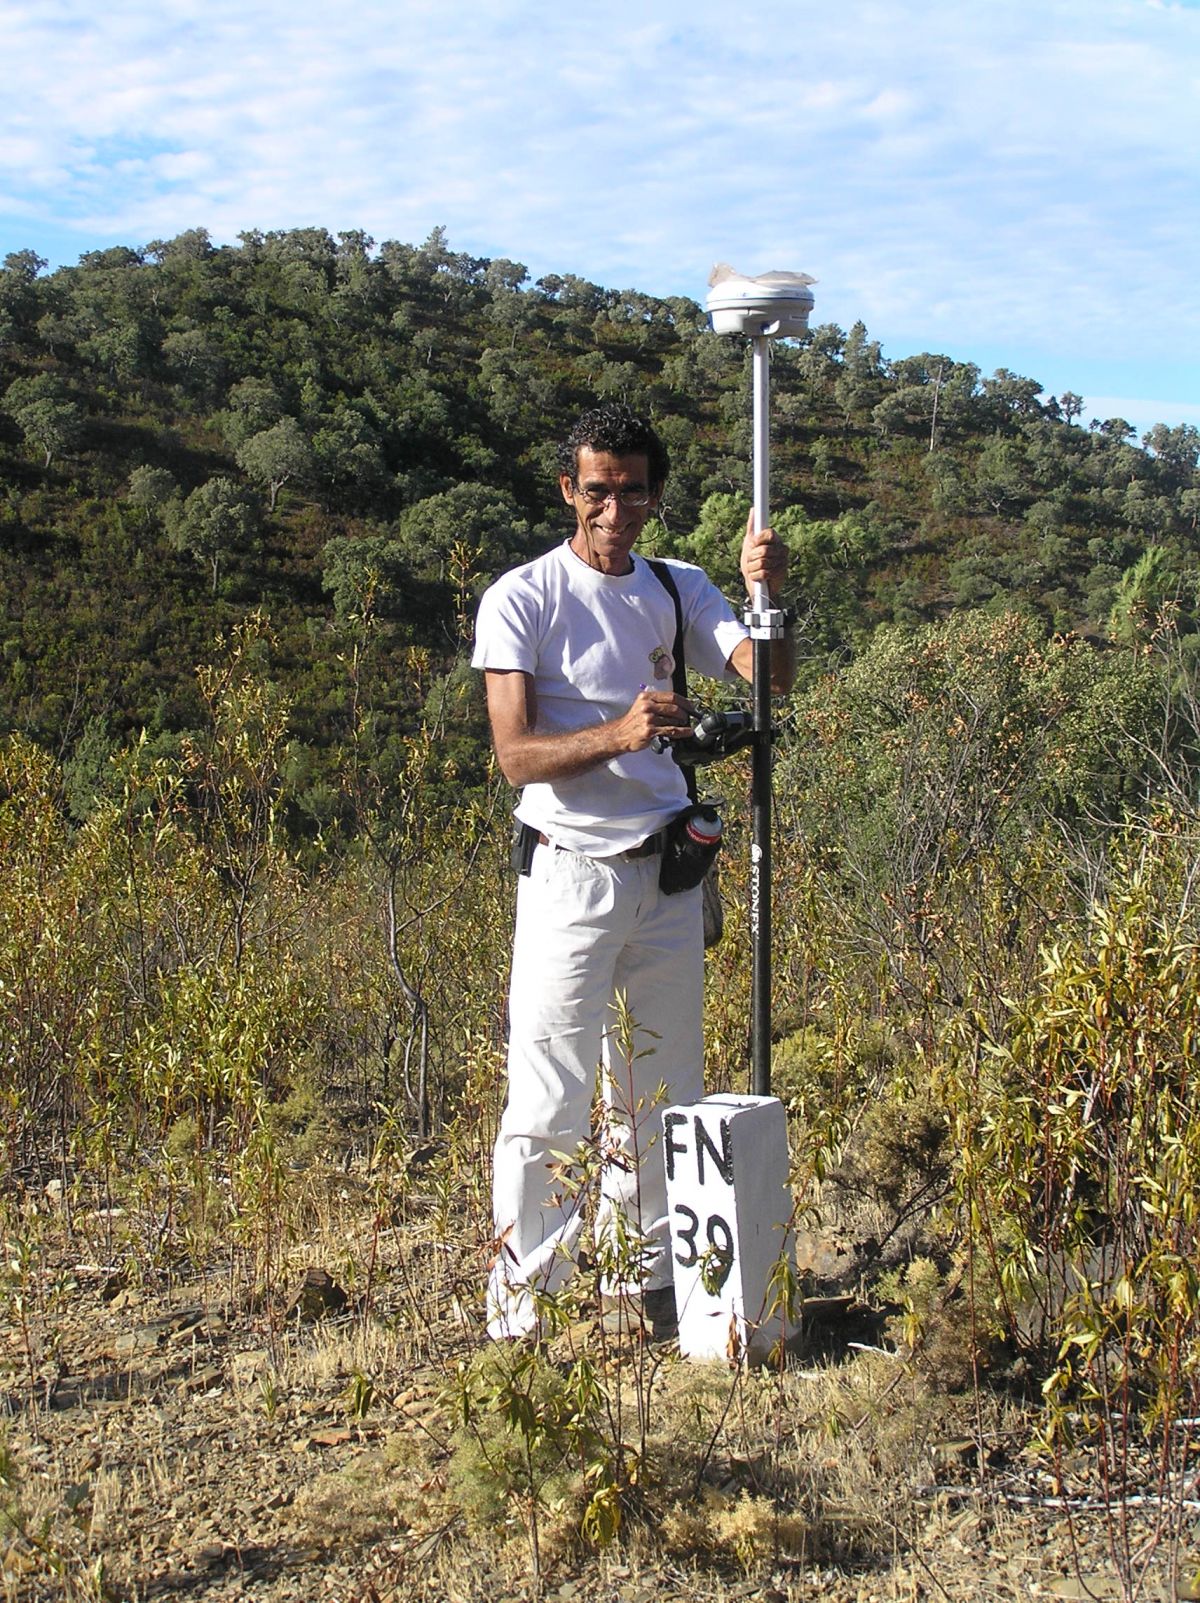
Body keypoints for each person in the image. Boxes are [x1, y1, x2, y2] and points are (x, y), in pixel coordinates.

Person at [472, 402, 795, 1339]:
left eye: (634, 490)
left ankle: (647, 1284)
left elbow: (765, 677)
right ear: (569, 490)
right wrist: (622, 733)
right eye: (598, 490)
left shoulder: (678, 583)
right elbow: (516, 756)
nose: (616, 509)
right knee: (548, 1095)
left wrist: (768, 596)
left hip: (665, 877)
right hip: (568, 872)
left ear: (655, 494)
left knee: (661, 1089)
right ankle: (523, 1309)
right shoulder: (523, 597)